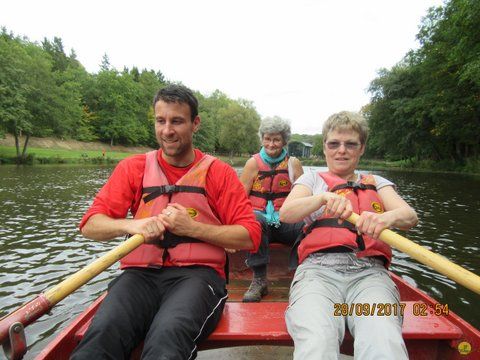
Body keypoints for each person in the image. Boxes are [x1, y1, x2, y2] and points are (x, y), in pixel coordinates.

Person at [71, 84, 261, 360]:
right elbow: (90, 225)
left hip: (198, 277)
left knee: (167, 337)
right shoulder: (132, 168)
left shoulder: (219, 173)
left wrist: (193, 228)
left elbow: (250, 236)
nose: (167, 131)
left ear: (195, 124)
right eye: (161, 121)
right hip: (140, 277)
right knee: (102, 333)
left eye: (177, 121)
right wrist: (130, 225)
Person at [280, 111, 418, 359]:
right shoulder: (311, 179)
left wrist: (385, 218)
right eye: (334, 144)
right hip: (318, 273)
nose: (341, 150)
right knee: (317, 342)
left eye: (350, 144)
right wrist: (322, 198)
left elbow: (409, 216)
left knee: (383, 341)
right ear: (324, 147)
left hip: (369, 275)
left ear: (362, 148)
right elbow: (287, 213)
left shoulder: (376, 181)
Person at [239, 116, 304, 302]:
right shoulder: (252, 163)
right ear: (262, 139)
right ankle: (259, 280)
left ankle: (299, 277)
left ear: (284, 140)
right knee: (255, 220)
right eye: (267, 138)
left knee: (307, 226)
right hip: (259, 221)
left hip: (284, 221)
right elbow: (240, 198)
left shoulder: (294, 164)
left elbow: (304, 197)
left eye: (276, 139)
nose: (271, 144)